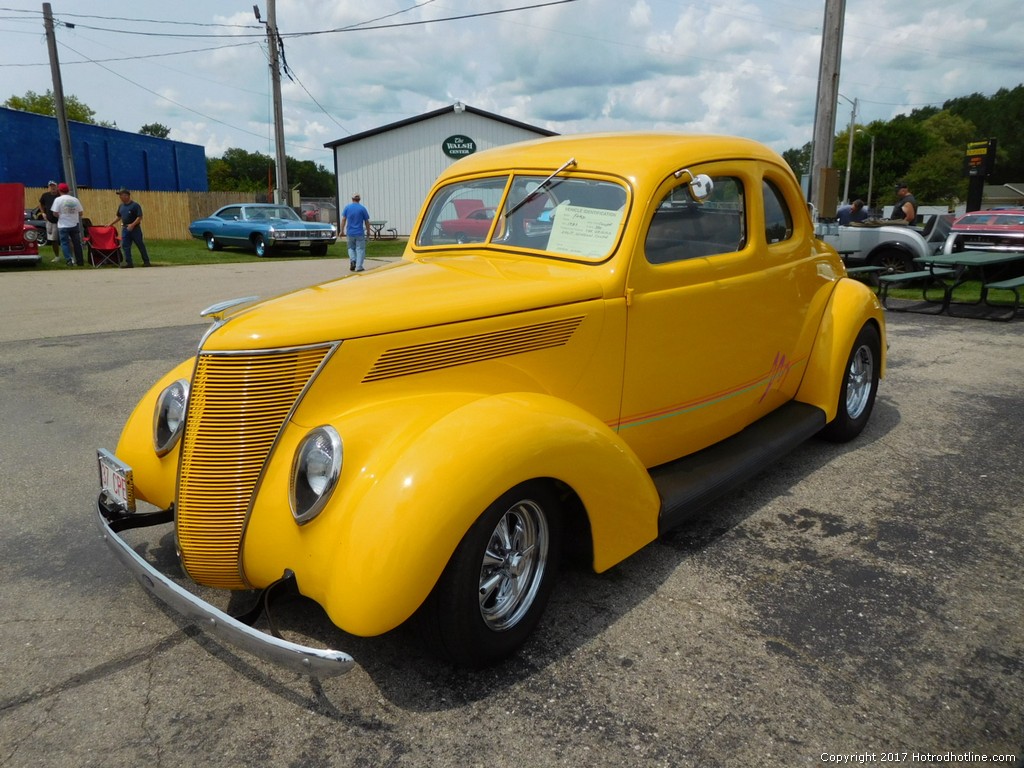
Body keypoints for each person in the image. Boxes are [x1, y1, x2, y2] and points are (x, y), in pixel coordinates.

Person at [108, 188, 151, 268]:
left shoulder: (135, 205)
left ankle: (146, 261)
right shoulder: (121, 206)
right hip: (125, 228)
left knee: (140, 244)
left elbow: (139, 217)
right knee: (125, 245)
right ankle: (129, 262)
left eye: (121, 195)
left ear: (127, 196)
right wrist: (110, 224)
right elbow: (119, 216)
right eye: (120, 196)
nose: (120, 197)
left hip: (135, 229)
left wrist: (132, 225)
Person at [50, 182, 85, 267]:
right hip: (74, 224)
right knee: (77, 243)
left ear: (59, 190)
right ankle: (80, 261)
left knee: (64, 243)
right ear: (68, 190)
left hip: (63, 224)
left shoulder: (58, 200)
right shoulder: (75, 199)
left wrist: (61, 215)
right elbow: (80, 213)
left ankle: (69, 260)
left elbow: (54, 213)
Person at [341, 193, 371, 272]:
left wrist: (341, 231)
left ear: (352, 199)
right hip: (359, 232)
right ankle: (359, 266)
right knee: (360, 249)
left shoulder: (347, 208)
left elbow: (343, 219)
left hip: (350, 232)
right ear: (359, 199)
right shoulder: (362, 208)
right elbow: (367, 221)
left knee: (350, 248)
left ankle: (353, 260)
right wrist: (368, 231)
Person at [39, 180, 62, 262]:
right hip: (50, 220)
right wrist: (43, 213)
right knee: (53, 239)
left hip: (62, 220)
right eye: (51, 186)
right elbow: (41, 204)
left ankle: (71, 256)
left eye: (54, 186)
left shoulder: (60, 195)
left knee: (66, 239)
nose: (52, 188)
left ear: (57, 187)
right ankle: (57, 256)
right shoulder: (45, 195)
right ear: (49, 187)